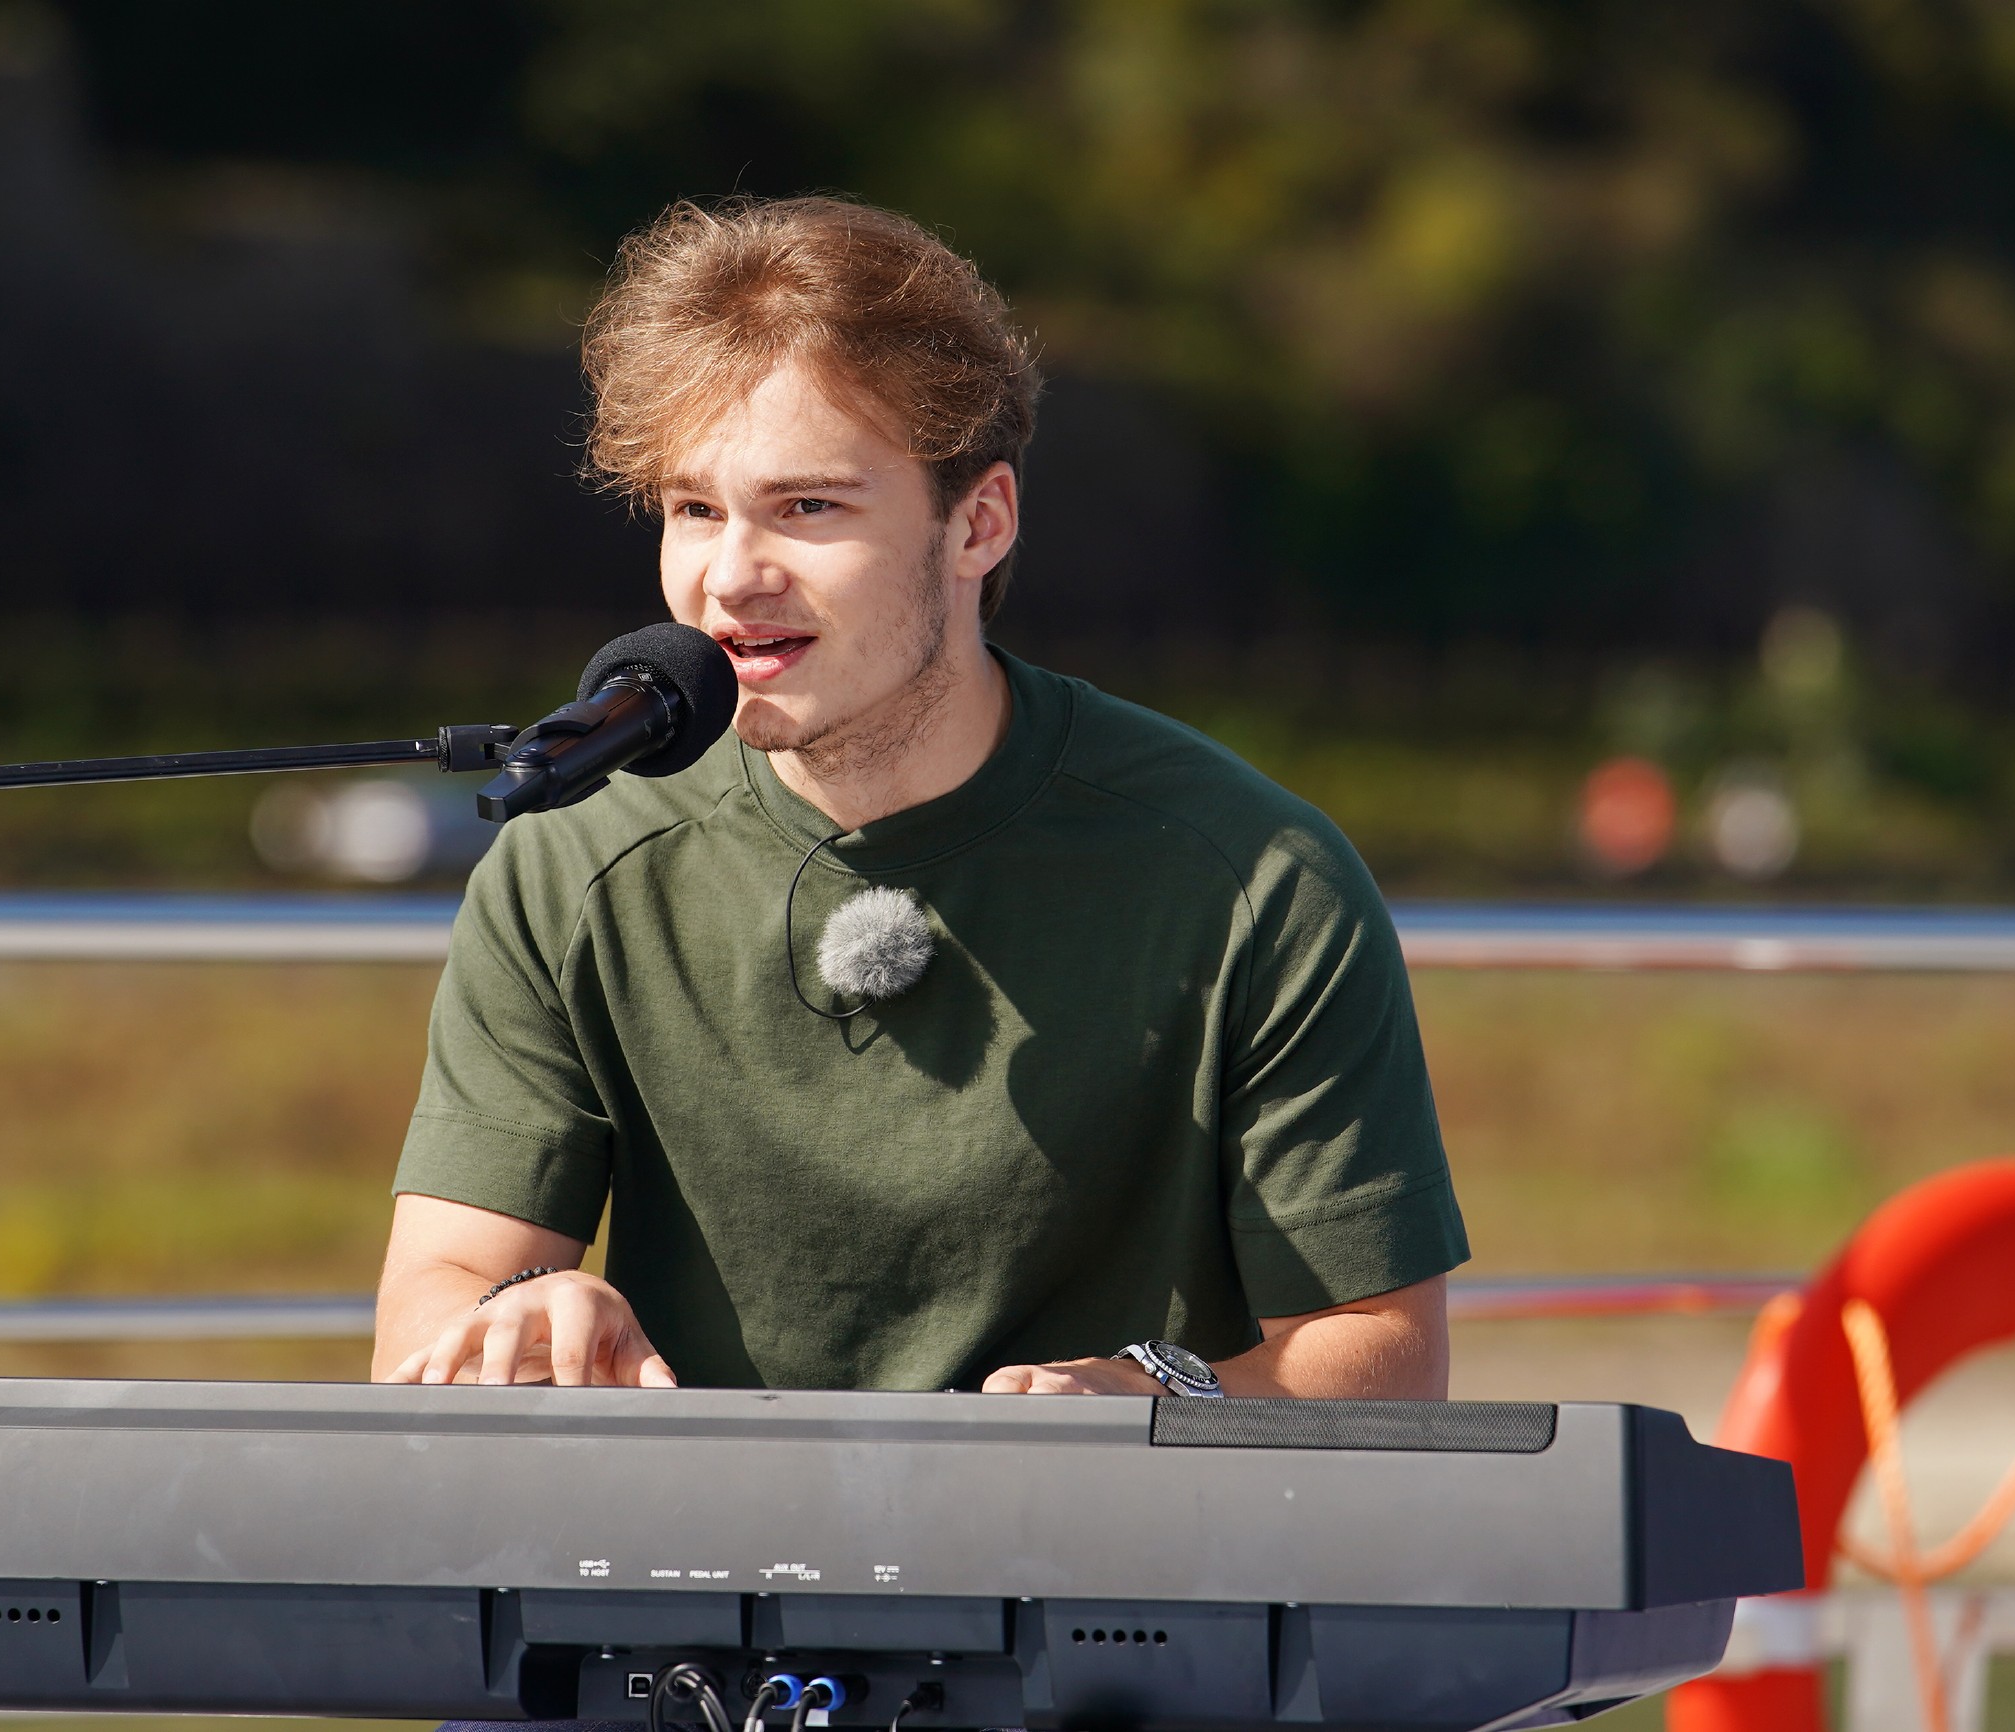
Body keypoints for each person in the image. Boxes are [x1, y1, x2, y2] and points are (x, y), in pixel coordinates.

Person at [372, 195, 1467, 1401]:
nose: (729, 576)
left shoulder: (1257, 876)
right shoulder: (569, 861)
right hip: (691, 1568)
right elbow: (432, 1302)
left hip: (1101, 1573)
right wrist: (515, 1311)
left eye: (808, 506)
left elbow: (1387, 1355)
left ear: (979, 523)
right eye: (694, 509)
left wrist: (1158, 1401)